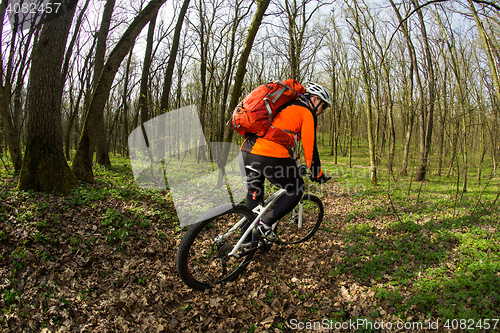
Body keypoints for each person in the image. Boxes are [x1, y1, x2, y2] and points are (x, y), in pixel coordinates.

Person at [240, 82, 332, 242]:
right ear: (315, 99)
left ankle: (247, 244)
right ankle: (265, 225)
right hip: (267, 154)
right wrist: (318, 174)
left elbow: (287, 143)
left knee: (253, 197)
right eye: (323, 107)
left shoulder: (284, 107)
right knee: (297, 188)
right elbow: (311, 150)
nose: (323, 112)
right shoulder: (307, 112)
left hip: (247, 151)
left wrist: (296, 166)